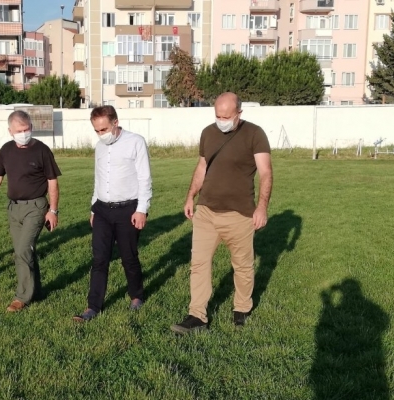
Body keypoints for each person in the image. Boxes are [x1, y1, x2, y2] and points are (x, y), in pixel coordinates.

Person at [171, 92, 273, 333]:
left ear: (239, 113)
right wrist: (190, 196)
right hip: (206, 211)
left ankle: (242, 309)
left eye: (227, 117)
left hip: (240, 214)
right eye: (218, 116)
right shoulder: (208, 133)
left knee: (243, 266)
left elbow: (266, 173)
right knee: (198, 264)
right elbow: (202, 166)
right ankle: (197, 316)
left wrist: (262, 207)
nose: (222, 121)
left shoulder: (255, 134)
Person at [73, 105, 152, 322]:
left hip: (128, 209)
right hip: (102, 210)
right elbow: (98, 179)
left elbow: (144, 178)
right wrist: (93, 207)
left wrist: (141, 209)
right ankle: (93, 307)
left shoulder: (136, 142)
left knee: (129, 257)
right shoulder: (99, 147)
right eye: (97, 130)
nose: (101, 134)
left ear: (115, 122)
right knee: (99, 259)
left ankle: (136, 296)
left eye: (104, 129)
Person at [0, 110, 61, 312]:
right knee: (23, 251)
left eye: (27, 129)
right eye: (19, 131)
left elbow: (52, 182)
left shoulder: (42, 150)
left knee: (23, 250)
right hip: (14, 208)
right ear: (10, 131)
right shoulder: (6, 150)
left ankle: (22, 297)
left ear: (31, 127)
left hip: (36, 207)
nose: (24, 134)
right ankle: (36, 291)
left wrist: (53, 210)